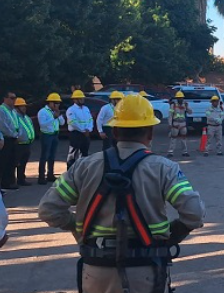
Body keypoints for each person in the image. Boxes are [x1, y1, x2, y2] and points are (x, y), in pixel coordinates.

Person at [38, 94, 205, 293]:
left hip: (95, 269)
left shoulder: (84, 166)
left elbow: (48, 209)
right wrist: (171, 235)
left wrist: (76, 226)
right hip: (145, 270)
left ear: (115, 132)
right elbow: (194, 213)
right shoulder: (164, 168)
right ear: (150, 133)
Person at [37, 93, 66, 185]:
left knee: (52, 156)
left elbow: (62, 123)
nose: (58, 105)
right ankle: (41, 177)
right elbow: (42, 124)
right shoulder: (43, 112)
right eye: (56, 103)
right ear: (50, 103)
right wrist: (53, 117)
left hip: (55, 135)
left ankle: (50, 174)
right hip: (46, 135)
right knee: (44, 156)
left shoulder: (56, 112)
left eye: (58, 103)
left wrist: (58, 115)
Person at [66, 90, 93, 169]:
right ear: (75, 99)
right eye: (80, 98)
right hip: (76, 134)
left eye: (82, 98)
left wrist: (89, 129)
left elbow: (90, 120)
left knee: (84, 153)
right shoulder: (71, 110)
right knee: (73, 154)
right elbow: (73, 122)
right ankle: (70, 172)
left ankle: (82, 171)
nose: (82, 100)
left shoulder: (86, 109)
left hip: (86, 134)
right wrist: (83, 130)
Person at [0, 92, 19, 190]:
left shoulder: (14, 111)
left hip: (14, 138)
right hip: (6, 139)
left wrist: (17, 134)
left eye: (15, 98)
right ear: (5, 98)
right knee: (4, 162)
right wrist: (13, 134)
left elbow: (16, 124)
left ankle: (10, 182)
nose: (14, 100)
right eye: (12, 98)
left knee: (12, 161)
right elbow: (3, 126)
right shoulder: (1, 110)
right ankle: (4, 183)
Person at [14, 98, 35, 186]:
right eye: (22, 106)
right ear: (17, 108)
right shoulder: (15, 117)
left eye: (24, 106)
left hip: (27, 144)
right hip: (18, 144)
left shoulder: (26, 117)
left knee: (23, 163)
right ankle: (12, 180)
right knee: (15, 163)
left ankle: (21, 179)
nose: (24, 108)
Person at [167, 91, 192, 158]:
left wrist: (187, 107)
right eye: (179, 98)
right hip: (175, 123)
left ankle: (185, 152)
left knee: (183, 138)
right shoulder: (173, 105)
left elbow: (190, 112)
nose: (180, 99)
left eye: (181, 98)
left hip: (183, 123)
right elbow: (170, 115)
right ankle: (170, 152)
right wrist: (169, 123)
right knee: (173, 138)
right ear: (177, 98)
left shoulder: (185, 105)